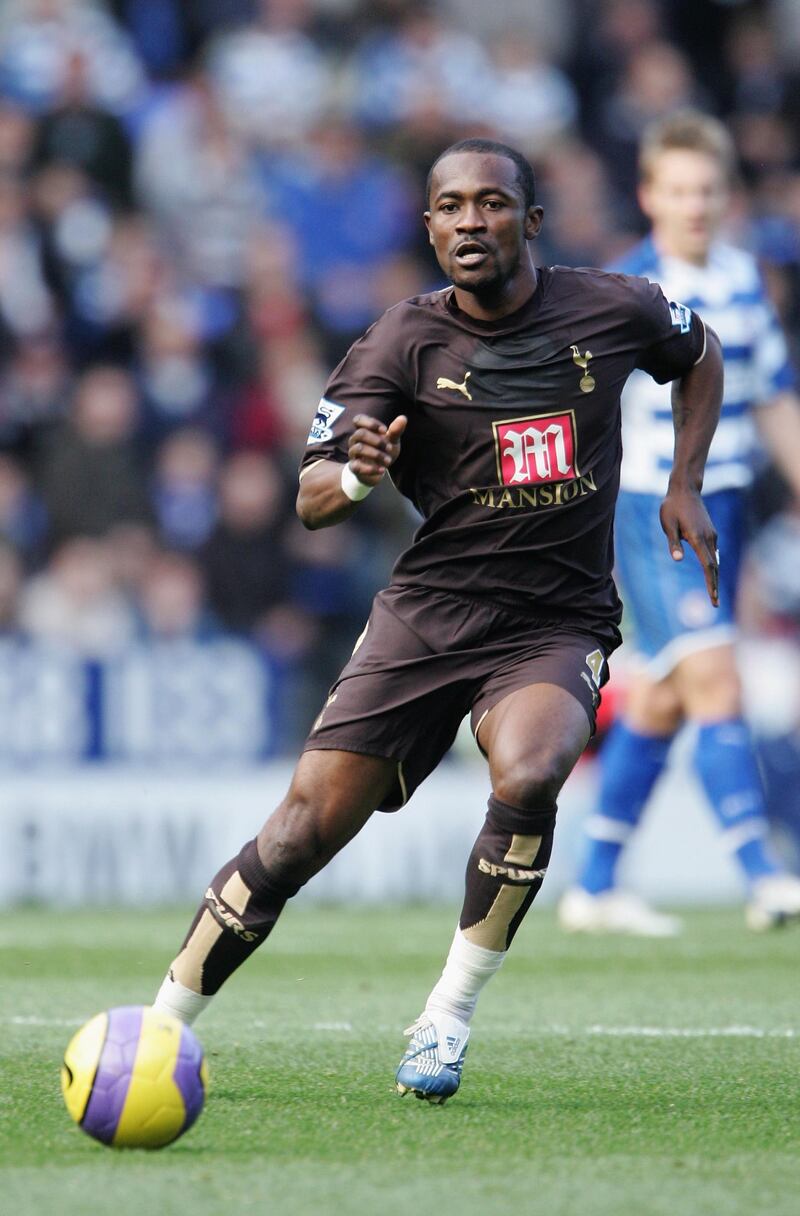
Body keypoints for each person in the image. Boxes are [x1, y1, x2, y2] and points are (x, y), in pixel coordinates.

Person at [152, 138, 722, 1103]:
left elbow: (700, 351)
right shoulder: (396, 343)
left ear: (530, 222)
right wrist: (360, 471)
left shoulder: (615, 306)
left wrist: (685, 480)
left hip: (555, 622)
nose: (470, 221)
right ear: (428, 227)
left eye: (492, 204)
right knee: (298, 833)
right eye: (450, 207)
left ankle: (445, 1017)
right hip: (427, 617)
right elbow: (312, 497)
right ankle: (158, 1027)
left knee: (535, 768)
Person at [558, 111, 800, 937]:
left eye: (707, 191)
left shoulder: (745, 283)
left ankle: (593, 884)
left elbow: (774, 400)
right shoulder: (627, 292)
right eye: (679, 191)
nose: (694, 206)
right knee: (716, 678)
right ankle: (766, 877)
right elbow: (584, 414)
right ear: (649, 196)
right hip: (653, 512)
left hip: (726, 506)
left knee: (661, 698)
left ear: (724, 196)